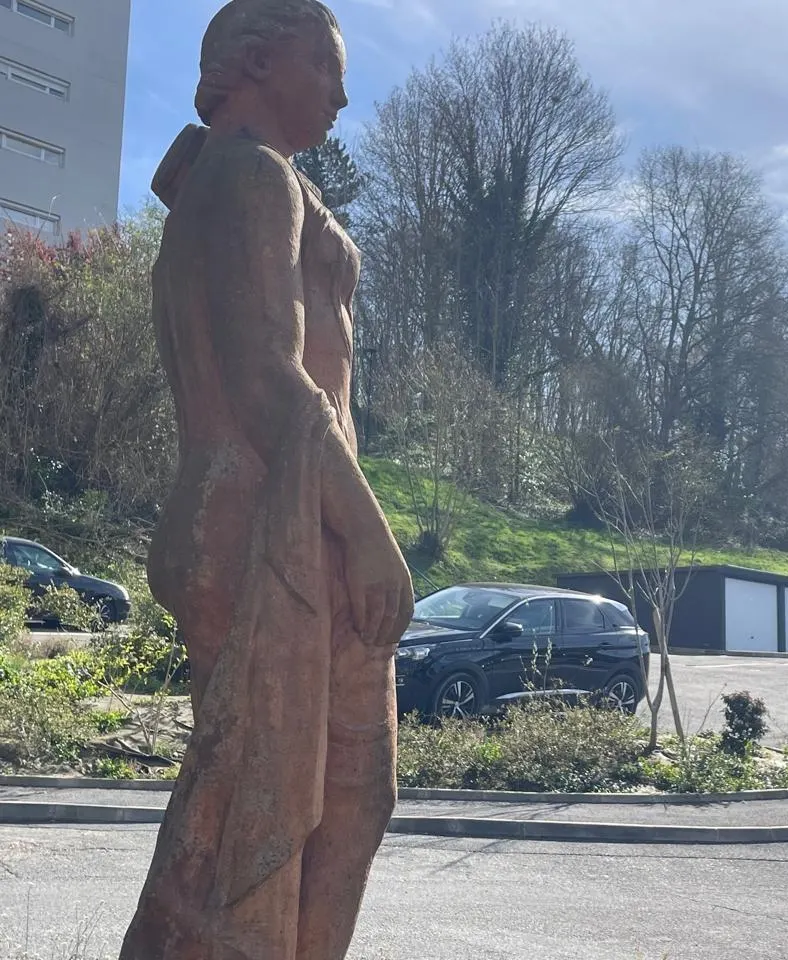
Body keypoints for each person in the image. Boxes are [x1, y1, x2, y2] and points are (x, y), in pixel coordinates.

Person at [119, 2, 414, 957]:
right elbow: (263, 376)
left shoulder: (232, 177)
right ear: (255, 60)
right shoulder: (252, 175)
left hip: (267, 513)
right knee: (276, 804)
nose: (341, 95)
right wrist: (366, 532)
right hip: (268, 524)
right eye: (325, 66)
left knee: (303, 796)